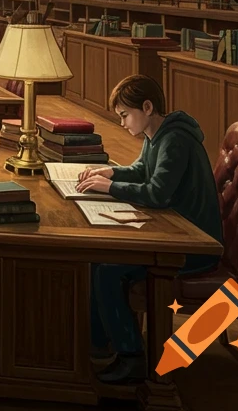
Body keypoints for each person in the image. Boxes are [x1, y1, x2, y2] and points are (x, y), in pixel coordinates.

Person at [76, 74, 223, 384]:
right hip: (173, 230)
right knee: (97, 259)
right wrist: (112, 171)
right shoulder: (158, 133)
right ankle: (100, 344)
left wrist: (110, 187)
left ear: (147, 107)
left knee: (107, 269)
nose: (123, 123)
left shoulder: (176, 139)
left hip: (191, 244)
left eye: (125, 115)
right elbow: (144, 169)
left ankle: (131, 357)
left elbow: (158, 192)